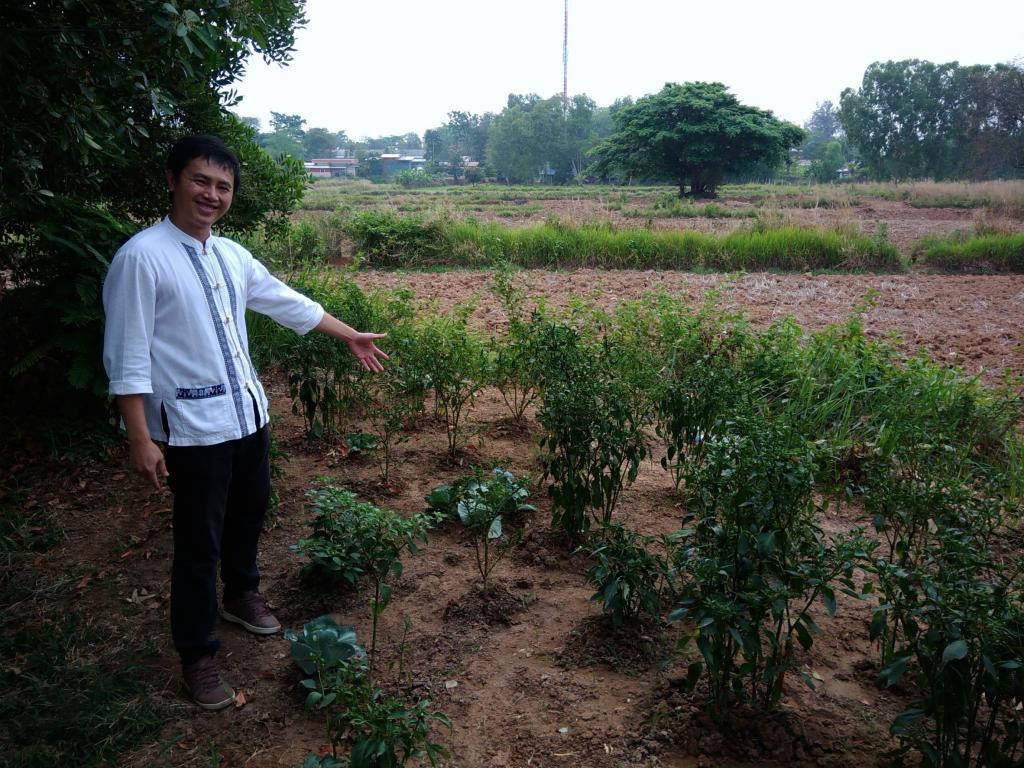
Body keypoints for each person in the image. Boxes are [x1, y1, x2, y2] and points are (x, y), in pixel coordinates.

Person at [102, 134, 388, 710]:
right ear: (173, 180)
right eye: (200, 181)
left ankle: (241, 594)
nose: (212, 194)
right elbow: (127, 354)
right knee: (197, 543)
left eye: (223, 186)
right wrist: (139, 436)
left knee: (249, 514)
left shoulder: (231, 255)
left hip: (247, 416)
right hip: (192, 428)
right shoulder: (141, 257)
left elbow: (285, 300)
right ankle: (197, 654)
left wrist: (348, 335)